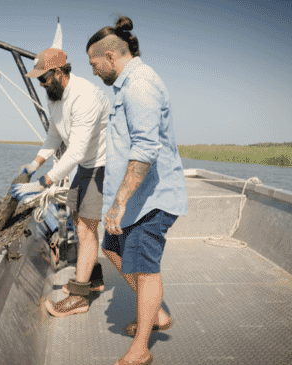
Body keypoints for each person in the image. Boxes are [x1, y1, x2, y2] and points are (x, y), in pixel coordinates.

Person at [86, 16, 188, 365]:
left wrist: (118, 203)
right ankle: (156, 313)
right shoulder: (126, 86)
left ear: (111, 56)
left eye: (94, 64)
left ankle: (141, 348)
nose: (95, 72)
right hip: (135, 199)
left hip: (151, 200)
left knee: (146, 268)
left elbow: (145, 150)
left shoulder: (141, 85)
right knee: (112, 248)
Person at [10, 47, 110, 317]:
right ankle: (94, 277)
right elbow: (54, 137)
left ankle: (79, 298)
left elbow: (76, 151)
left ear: (58, 73)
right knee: (80, 223)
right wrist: (34, 164)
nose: (40, 84)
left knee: (87, 229)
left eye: (43, 79)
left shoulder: (85, 96)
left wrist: (43, 182)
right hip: (86, 166)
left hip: (102, 165)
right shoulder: (54, 97)